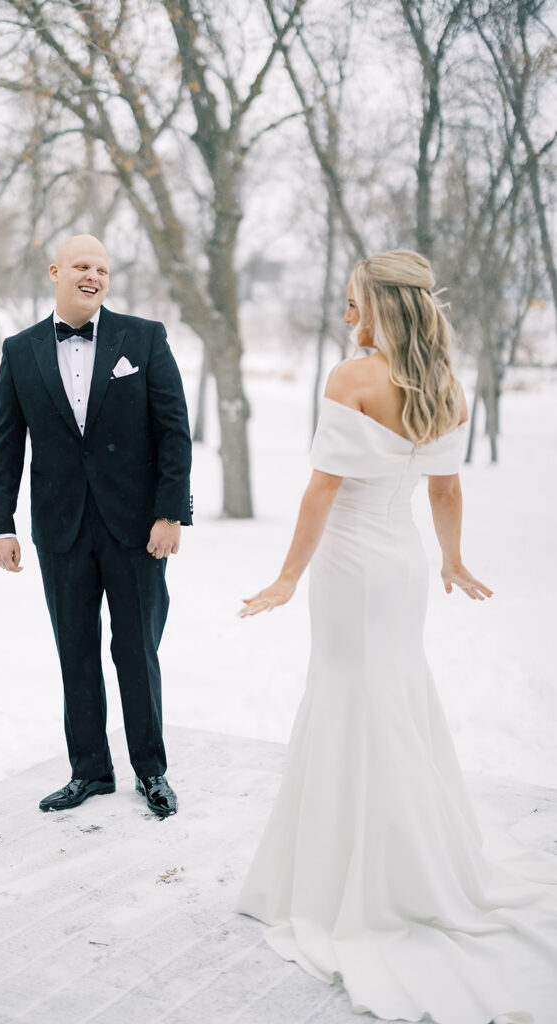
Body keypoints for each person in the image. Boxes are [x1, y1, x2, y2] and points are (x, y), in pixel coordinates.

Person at [236, 250, 557, 1023]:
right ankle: (412, 855)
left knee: (352, 698)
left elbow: (322, 489)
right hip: (404, 562)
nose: (347, 319)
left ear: (382, 306)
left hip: (348, 565)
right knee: (393, 694)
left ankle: (355, 875)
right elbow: (444, 488)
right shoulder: (445, 385)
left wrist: (285, 577)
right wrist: (450, 559)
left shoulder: (351, 379)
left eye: (354, 305)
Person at [0, 234, 192, 818]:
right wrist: (1, 524)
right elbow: (6, 444)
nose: (93, 275)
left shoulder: (144, 339)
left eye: (101, 268)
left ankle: (151, 772)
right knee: (74, 654)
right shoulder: (20, 349)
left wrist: (170, 512)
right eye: (81, 265)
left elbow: (175, 432)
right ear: (56, 272)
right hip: (60, 530)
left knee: (136, 651)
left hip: (137, 531)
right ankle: (90, 772)